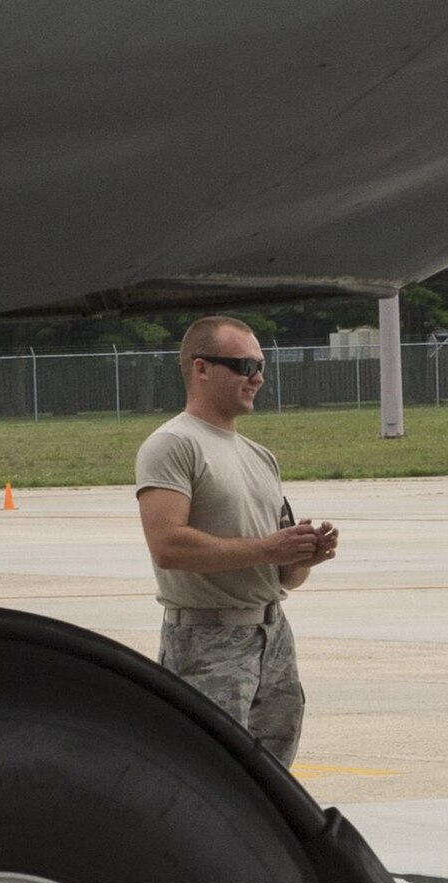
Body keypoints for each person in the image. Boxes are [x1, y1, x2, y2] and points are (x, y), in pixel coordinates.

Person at [134, 315, 337, 766]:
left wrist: (302, 556)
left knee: (273, 781)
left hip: (272, 634)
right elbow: (168, 546)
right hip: (208, 640)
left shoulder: (261, 457)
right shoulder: (172, 445)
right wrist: (270, 548)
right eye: (244, 366)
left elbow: (284, 574)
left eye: (261, 365)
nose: (258, 377)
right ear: (201, 368)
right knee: (210, 774)